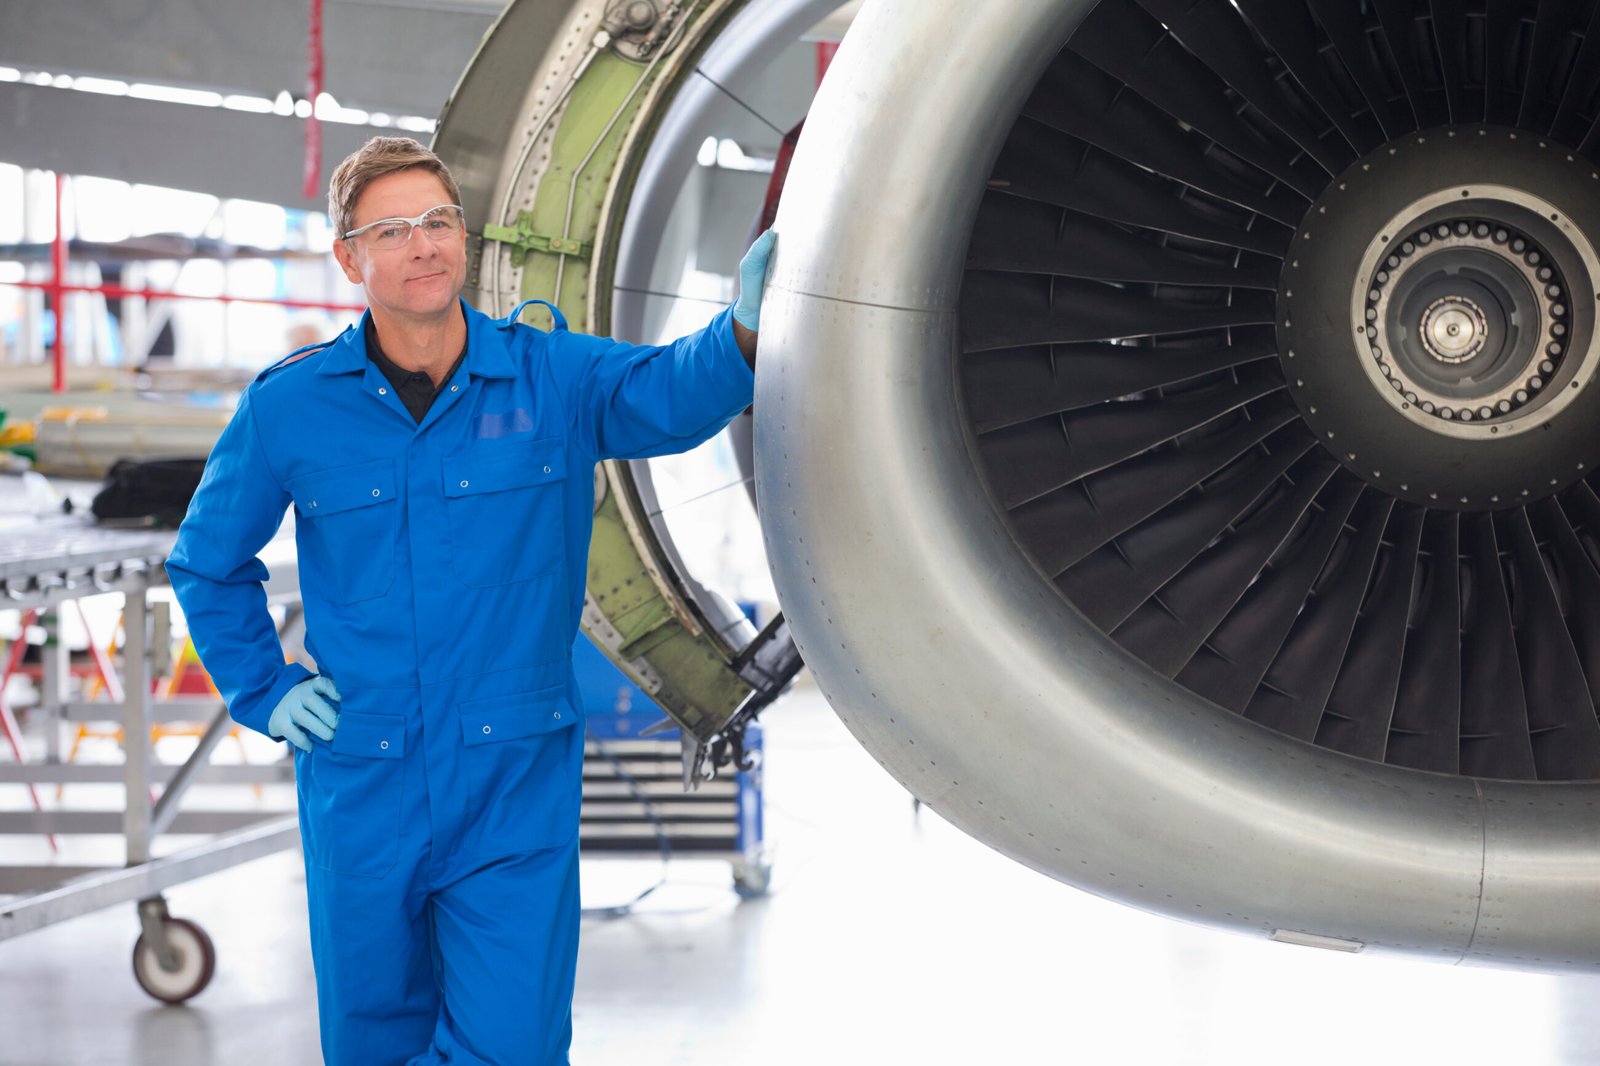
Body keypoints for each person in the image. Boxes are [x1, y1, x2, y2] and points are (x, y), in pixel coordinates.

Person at [167, 135, 773, 1066]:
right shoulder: (290, 408)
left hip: (511, 782)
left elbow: (670, 394)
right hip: (363, 773)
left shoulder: (551, 380)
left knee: (514, 1045)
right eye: (395, 229)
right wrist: (266, 687)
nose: (425, 244)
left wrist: (742, 326)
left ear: (466, 238)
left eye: (440, 221)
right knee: (373, 1041)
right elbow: (208, 562)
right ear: (349, 256)